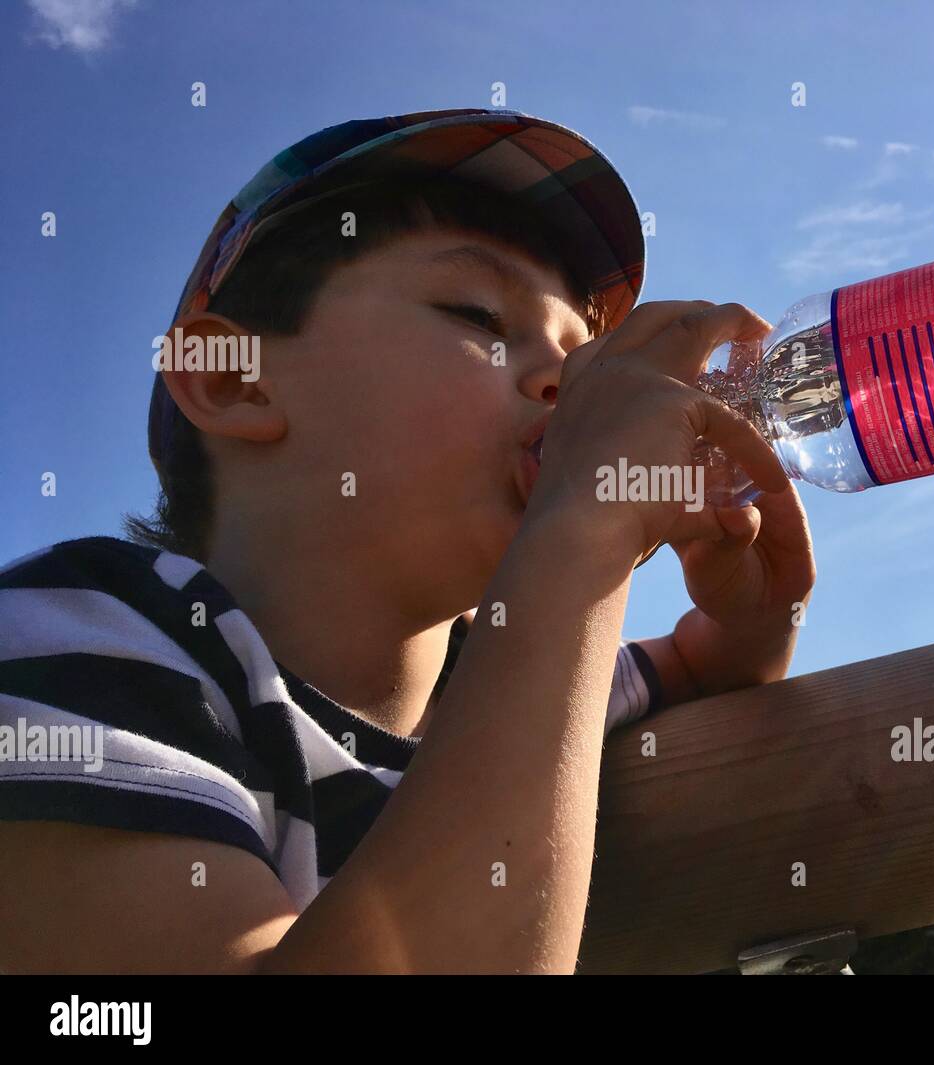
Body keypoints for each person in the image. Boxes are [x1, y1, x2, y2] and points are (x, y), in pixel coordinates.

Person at [0, 108, 815, 973]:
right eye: (482, 318)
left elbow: (700, 667)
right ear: (232, 381)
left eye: (587, 363)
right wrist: (585, 534)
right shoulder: (77, 643)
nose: (566, 388)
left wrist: (763, 608)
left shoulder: (496, 673)